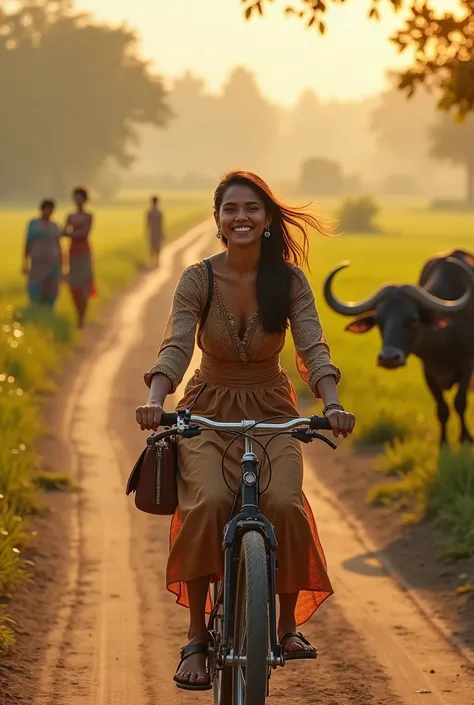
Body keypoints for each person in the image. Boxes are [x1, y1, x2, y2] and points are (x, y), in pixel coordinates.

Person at [135, 170, 356, 691]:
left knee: (283, 501)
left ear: (267, 220)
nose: (241, 217)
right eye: (230, 209)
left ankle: (285, 624)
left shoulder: (290, 281)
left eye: (251, 209)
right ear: (217, 220)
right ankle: (195, 638)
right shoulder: (198, 278)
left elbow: (312, 346)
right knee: (208, 501)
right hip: (206, 405)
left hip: (274, 408)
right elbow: (176, 345)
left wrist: (333, 403)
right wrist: (154, 400)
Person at [63, 186, 95, 328]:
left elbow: (84, 233)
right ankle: (79, 313)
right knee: (73, 284)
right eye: (75, 197)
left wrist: (69, 234)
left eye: (80, 197)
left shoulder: (89, 216)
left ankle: (82, 315)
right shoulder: (70, 216)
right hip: (72, 252)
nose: (77, 200)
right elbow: (66, 231)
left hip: (84, 252)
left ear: (85, 199)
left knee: (84, 283)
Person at [22, 199, 62, 308]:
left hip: (52, 262)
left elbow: (59, 246)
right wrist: (24, 263)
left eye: (51, 209)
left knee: (51, 287)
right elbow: (27, 243)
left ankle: (48, 309)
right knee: (35, 286)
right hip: (37, 262)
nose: (48, 212)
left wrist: (63, 264)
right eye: (47, 209)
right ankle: (35, 308)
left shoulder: (54, 226)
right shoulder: (33, 224)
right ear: (42, 209)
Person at [146, 195, 164, 268]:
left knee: (155, 248)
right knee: (154, 248)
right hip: (155, 231)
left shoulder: (151, 212)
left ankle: (155, 262)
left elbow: (147, 224)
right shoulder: (157, 212)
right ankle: (155, 262)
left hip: (154, 232)